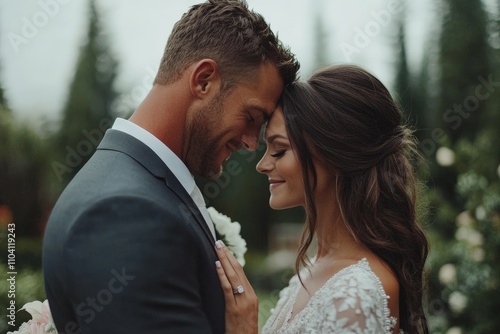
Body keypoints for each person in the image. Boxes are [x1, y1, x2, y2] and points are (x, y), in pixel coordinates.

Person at [42, 0, 299, 333]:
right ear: (204, 80)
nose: (252, 142)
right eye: (251, 118)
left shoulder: (135, 188)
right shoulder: (125, 214)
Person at [215, 64, 429, 333]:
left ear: (335, 155)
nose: (262, 164)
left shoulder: (356, 295)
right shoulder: (311, 271)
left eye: (279, 150)